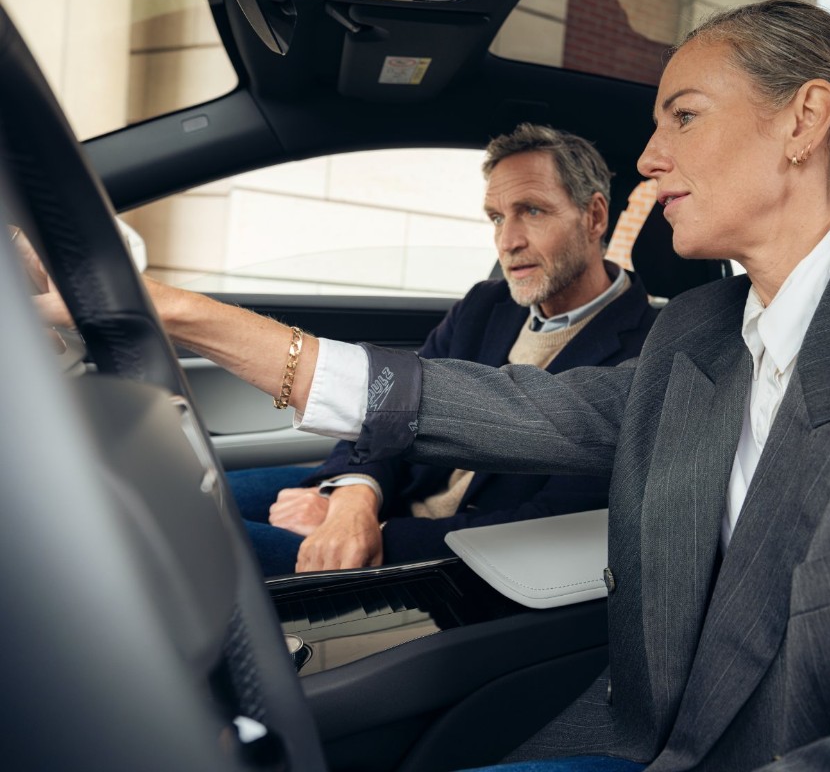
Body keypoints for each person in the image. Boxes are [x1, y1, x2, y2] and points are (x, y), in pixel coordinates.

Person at [36, 0, 830, 771]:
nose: (647, 157)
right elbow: (496, 406)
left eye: (681, 117)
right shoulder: (702, 335)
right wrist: (174, 314)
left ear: (804, 120)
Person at [227, 123, 658, 575]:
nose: (508, 241)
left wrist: (377, 532)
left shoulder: (648, 350)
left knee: (188, 546)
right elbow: (388, 412)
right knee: (191, 499)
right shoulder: (484, 305)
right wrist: (354, 498)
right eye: (496, 217)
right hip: (386, 495)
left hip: (448, 563)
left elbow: (557, 523)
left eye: (531, 211)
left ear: (594, 217)